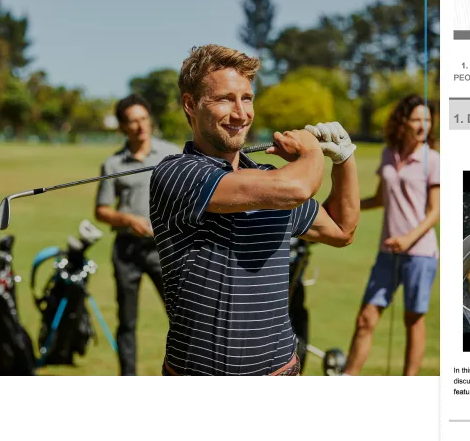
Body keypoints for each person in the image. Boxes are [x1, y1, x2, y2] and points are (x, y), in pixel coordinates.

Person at [148, 45, 359, 377]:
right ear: (191, 104)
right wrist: (311, 151)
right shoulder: (177, 173)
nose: (240, 112)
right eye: (224, 99)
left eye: (246, 98)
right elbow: (295, 188)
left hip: (278, 372)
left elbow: (340, 230)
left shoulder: (269, 181)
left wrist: (343, 160)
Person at [343, 94, 440, 376]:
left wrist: (409, 239)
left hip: (420, 253)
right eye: (417, 119)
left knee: (412, 320)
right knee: (366, 318)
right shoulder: (389, 153)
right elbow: (380, 198)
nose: (423, 125)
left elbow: (435, 212)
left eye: (428, 120)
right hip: (387, 251)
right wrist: (345, 205)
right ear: (403, 122)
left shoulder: (432, 160)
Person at [95, 94, 181, 376]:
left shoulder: (171, 155)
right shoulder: (112, 165)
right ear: (122, 127)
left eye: (143, 119)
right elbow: (102, 210)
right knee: (127, 322)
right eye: (132, 121)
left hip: (163, 249)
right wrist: (127, 219)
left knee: (181, 317)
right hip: (127, 251)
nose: (140, 126)